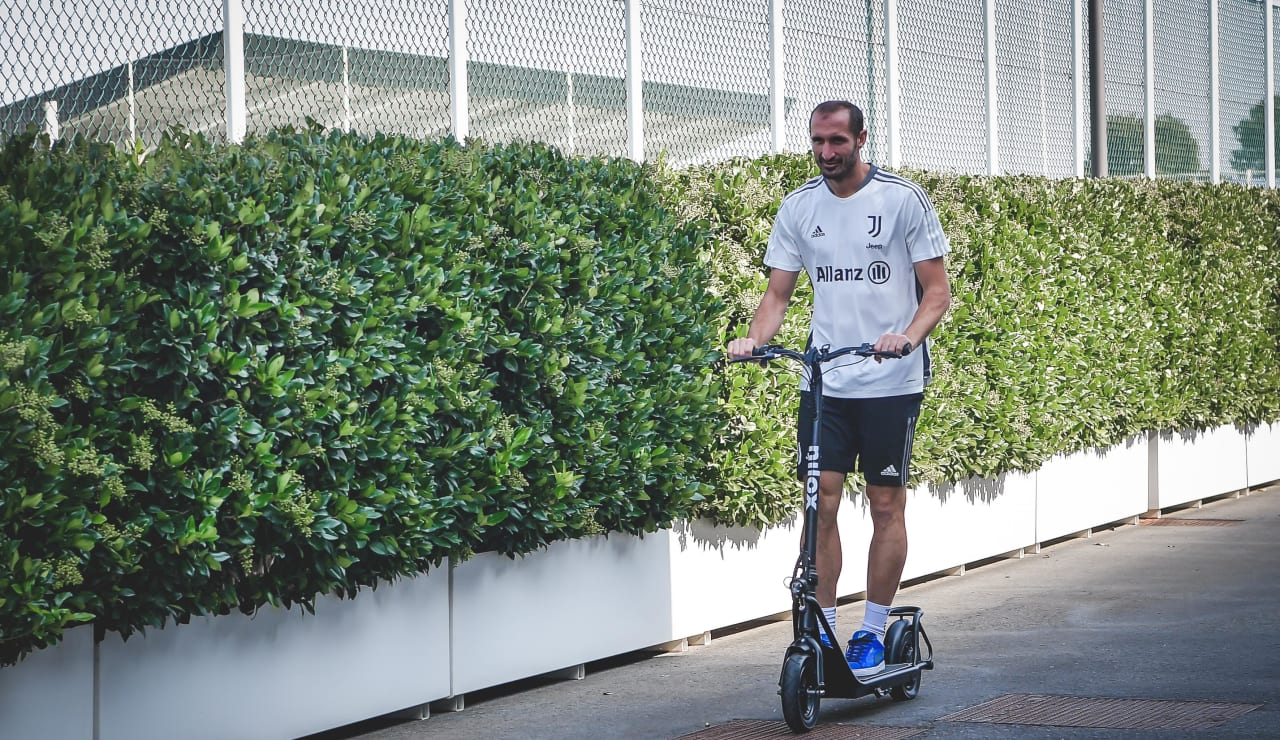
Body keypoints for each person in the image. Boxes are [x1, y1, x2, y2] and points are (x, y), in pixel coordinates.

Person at [726, 100, 951, 678]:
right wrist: (753, 340)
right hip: (825, 381)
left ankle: (872, 631)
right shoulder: (799, 208)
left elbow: (936, 294)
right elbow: (777, 296)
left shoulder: (902, 200)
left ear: (860, 139)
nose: (827, 153)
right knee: (819, 503)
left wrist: (906, 336)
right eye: (818, 142)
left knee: (884, 503)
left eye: (837, 141)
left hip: (891, 382)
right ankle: (823, 631)